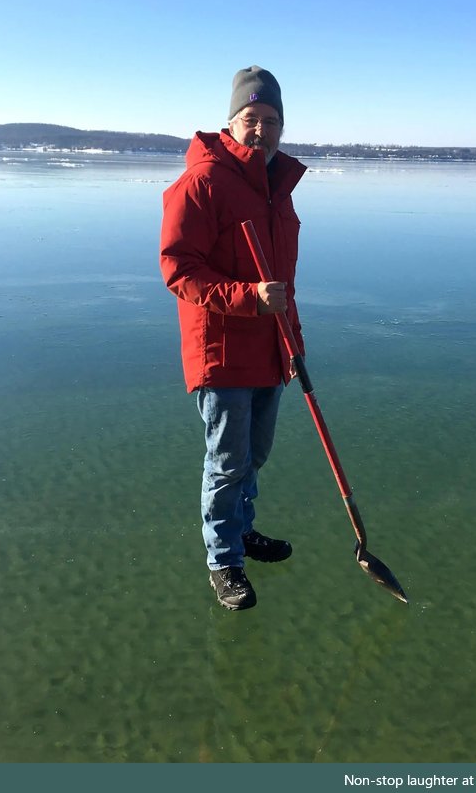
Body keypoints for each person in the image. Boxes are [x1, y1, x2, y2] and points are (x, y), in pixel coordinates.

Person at [160, 66, 306, 611]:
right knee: (227, 462)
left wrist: (294, 340)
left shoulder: (277, 190)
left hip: (270, 349)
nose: (262, 130)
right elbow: (178, 269)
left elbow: (284, 285)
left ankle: (241, 531)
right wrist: (248, 297)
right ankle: (223, 561)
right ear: (231, 122)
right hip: (221, 352)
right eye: (252, 119)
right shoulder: (202, 182)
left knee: (254, 456)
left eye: (272, 121)